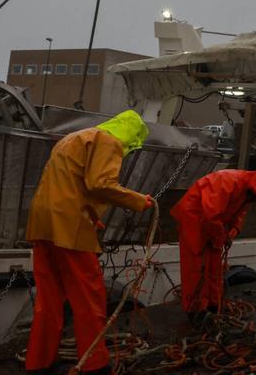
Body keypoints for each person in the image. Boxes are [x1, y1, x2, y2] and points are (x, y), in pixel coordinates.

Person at [24, 110, 154, 375]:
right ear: (130, 136)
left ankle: (39, 362)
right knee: (88, 298)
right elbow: (100, 184)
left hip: (43, 224)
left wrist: (92, 216)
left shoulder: (74, 138)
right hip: (70, 231)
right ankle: (94, 365)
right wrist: (139, 201)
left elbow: (70, 185)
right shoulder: (107, 141)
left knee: (48, 300)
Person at [171, 169, 256, 317]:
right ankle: (196, 310)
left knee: (215, 267)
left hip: (212, 225)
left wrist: (232, 232)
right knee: (196, 268)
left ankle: (213, 305)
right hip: (193, 220)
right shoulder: (228, 182)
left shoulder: (247, 190)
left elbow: (239, 212)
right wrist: (221, 237)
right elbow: (210, 216)